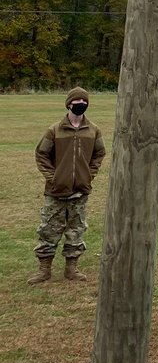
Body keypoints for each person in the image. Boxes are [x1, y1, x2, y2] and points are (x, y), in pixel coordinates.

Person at [28, 87, 105, 284]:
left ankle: (72, 269)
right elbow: (41, 154)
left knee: (76, 230)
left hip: (80, 192)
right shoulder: (54, 130)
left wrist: (88, 175)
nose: (81, 105)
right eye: (77, 102)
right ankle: (44, 270)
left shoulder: (93, 131)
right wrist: (53, 178)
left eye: (84, 102)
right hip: (55, 192)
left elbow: (99, 154)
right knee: (48, 230)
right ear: (69, 104)